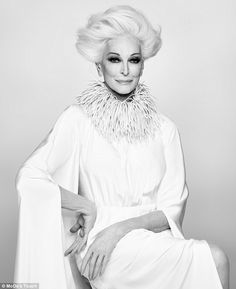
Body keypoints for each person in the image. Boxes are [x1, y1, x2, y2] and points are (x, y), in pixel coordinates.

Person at [14, 5, 230, 289]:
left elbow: (171, 210)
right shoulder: (77, 120)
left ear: (143, 64)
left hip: (150, 238)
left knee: (215, 261)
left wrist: (118, 230)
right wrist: (86, 207)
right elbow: (29, 179)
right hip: (98, 246)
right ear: (99, 66)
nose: (126, 71)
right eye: (115, 60)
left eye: (134, 60)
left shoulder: (165, 129)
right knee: (214, 260)